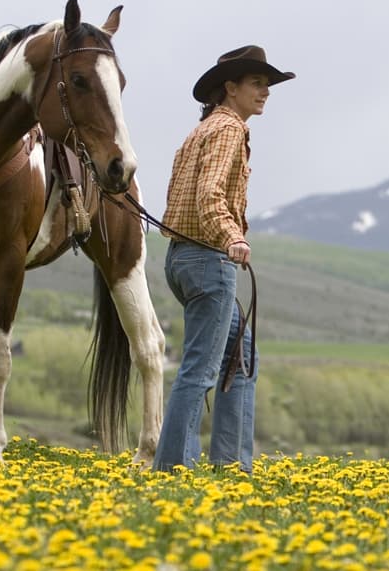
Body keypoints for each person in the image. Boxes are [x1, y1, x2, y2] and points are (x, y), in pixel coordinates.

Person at [153, 45, 295, 473]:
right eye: (257, 83)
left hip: (181, 260)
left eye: (267, 85)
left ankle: (231, 466)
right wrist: (231, 236)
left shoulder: (199, 131)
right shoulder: (229, 130)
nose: (265, 92)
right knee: (200, 370)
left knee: (242, 355)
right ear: (230, 89)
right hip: (208, 261)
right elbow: (209, 194)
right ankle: (175, 470)